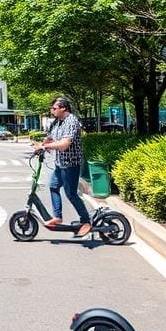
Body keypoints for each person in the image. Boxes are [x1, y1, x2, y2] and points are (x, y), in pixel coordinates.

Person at [41, 96, 92, 238]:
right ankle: (57, 217)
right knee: (53, 186)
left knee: (71, 194)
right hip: (60, 164)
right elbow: (51, 138)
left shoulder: (71, 121)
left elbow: (64, 144)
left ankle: (86, 221)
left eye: (54, 108)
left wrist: (45, 146)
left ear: (63, 108)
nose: (52, 111)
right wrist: (41, 145)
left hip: (71, 164)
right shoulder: (58, 122)